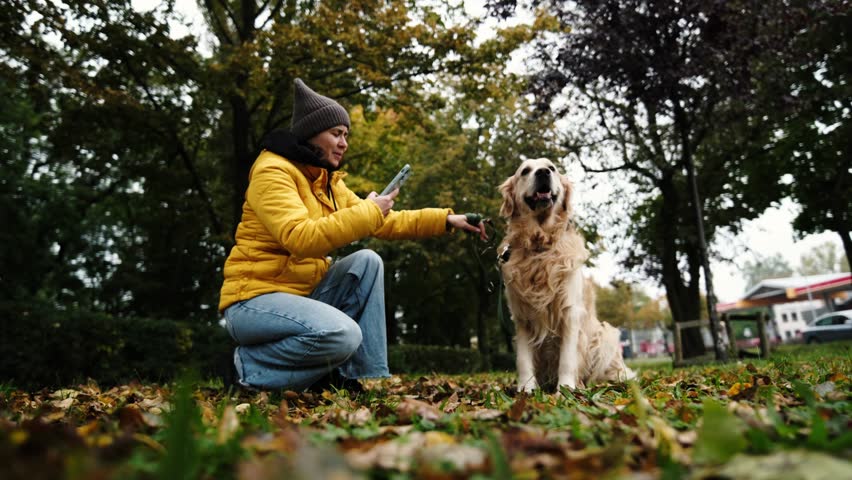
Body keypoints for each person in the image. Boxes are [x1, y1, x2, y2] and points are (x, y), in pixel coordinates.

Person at [218, 78, 486, 392]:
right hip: (254, 301)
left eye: (346, 134)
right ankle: (246, 367)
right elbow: (300, 238)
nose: (344, 143)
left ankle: (350, 376)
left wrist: (447, 219)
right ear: (310, 133)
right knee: (343, 334)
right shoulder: (273, 172)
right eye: (336, 134)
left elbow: (384, 222)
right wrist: (369, 210)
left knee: (367, 262)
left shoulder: (327, 181)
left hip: (300, 297)